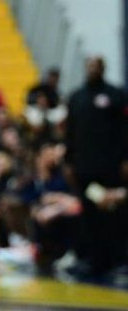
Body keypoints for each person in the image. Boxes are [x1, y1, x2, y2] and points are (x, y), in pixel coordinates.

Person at [63, 56, 128, 281]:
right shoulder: (76, 97)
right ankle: (93, 260)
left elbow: (123, 130)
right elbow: (70, 132)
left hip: (110, 169)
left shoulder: (115, 95)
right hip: (84, 170)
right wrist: (69, 162)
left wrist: (124, 159)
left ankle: (118, 261)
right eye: (88, 65)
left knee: (112, 214)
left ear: (103, 68)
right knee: (89, 216)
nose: (91, 68)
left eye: (96, 65)